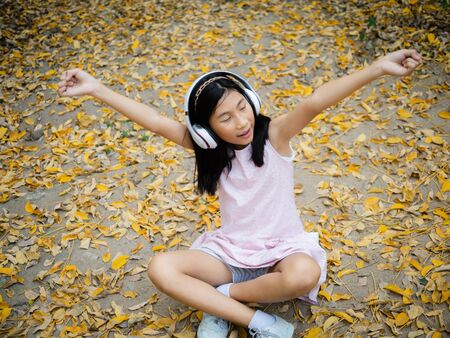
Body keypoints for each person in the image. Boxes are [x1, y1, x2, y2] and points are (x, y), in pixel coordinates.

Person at [58, 49, 421, 337]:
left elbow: (314, 103)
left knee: (303, 276)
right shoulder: (208, 149)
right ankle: (258, 323)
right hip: (230, 253)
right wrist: (96, 89)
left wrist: (377, 67)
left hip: (283, 249)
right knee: (161, 267)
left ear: (251, 100)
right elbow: (153, 122)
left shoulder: (275, 136)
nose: (241, 122)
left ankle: (221, 301)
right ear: (206, 129)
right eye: (225, 118)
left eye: (241, 108)